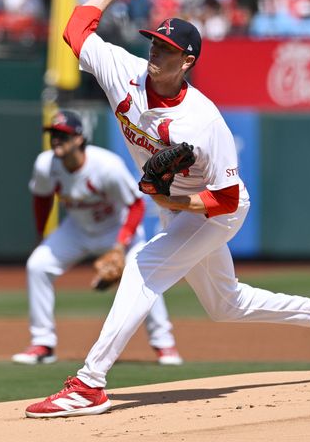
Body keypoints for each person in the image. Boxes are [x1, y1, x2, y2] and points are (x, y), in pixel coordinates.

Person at [24, 0, 310, 419]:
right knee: (228, 305)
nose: (155, 51)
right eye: (153, 42)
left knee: (143, 266)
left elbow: (226, 199)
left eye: (166, 49)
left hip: (214, 211)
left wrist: (173, 203)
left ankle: (89, 383)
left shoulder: (204, 121)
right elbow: (76, 28)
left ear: (186, 61)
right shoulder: (123, 72)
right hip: (179, 209)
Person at [11, 110, 183, 367]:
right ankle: (43, 344)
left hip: (116, 229)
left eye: (63, 135)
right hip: (77, 229)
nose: (56, 140)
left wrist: (120, 245)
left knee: (144, 276)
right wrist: (41, 236)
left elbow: (135, 205)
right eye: (53, 135)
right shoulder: (46, 164)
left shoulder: (106, 166)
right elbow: (42, 199)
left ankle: (164, 344)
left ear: (79, 138)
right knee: (38, 265)